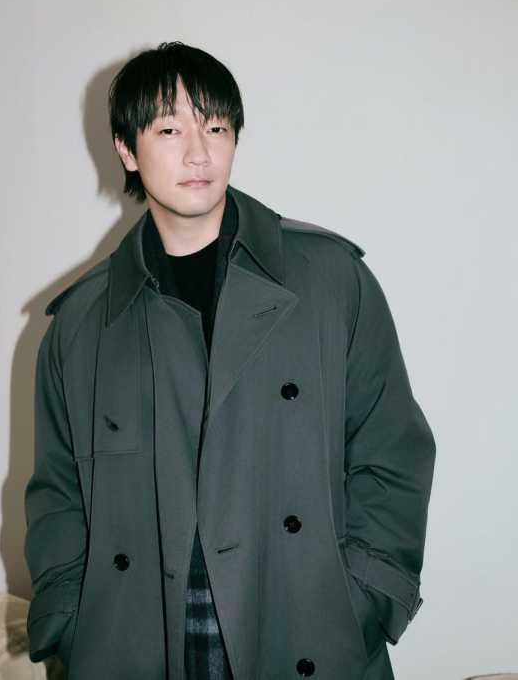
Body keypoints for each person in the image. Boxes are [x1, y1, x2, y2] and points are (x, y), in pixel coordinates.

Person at [23, 41, 436, 680]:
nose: (199, 152)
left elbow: (392, 452)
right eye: (169, 130)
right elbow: (57, 494)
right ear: (127, 150)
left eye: (215, 127)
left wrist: (363, 597)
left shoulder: (330, 280)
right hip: (139, 638)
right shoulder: (81, 324)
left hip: (302, 624)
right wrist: (72, 622)